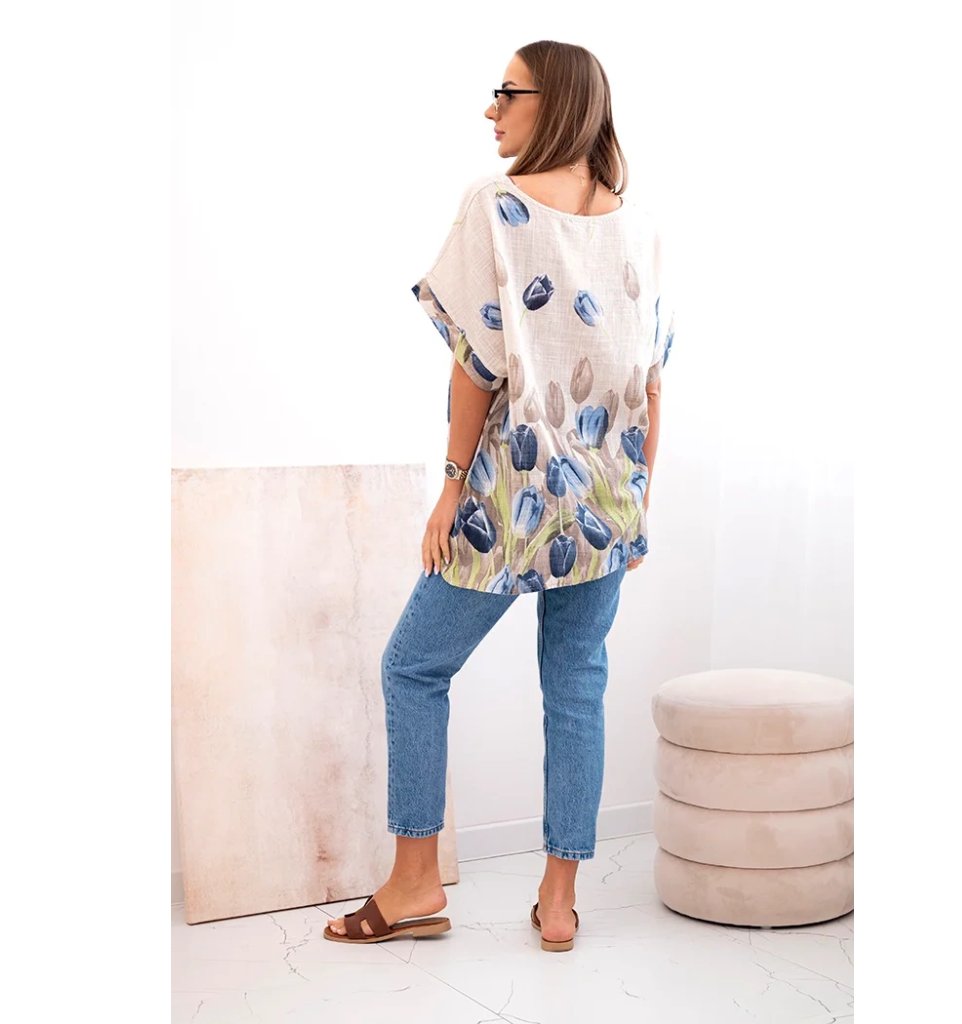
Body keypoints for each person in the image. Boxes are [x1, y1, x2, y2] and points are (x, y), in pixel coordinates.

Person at [325, 40, 675, 951]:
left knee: (413, 667)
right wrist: (638, 503)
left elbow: (474, 366)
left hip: (509, 494)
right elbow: (652, 387)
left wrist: (450, 489)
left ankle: (413, 884)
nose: (491, 109)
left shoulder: (498, 206)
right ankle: (559, 901)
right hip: (607, 502)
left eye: (505, 92)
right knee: (577, 686)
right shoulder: (640, 228)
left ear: (551, 101)